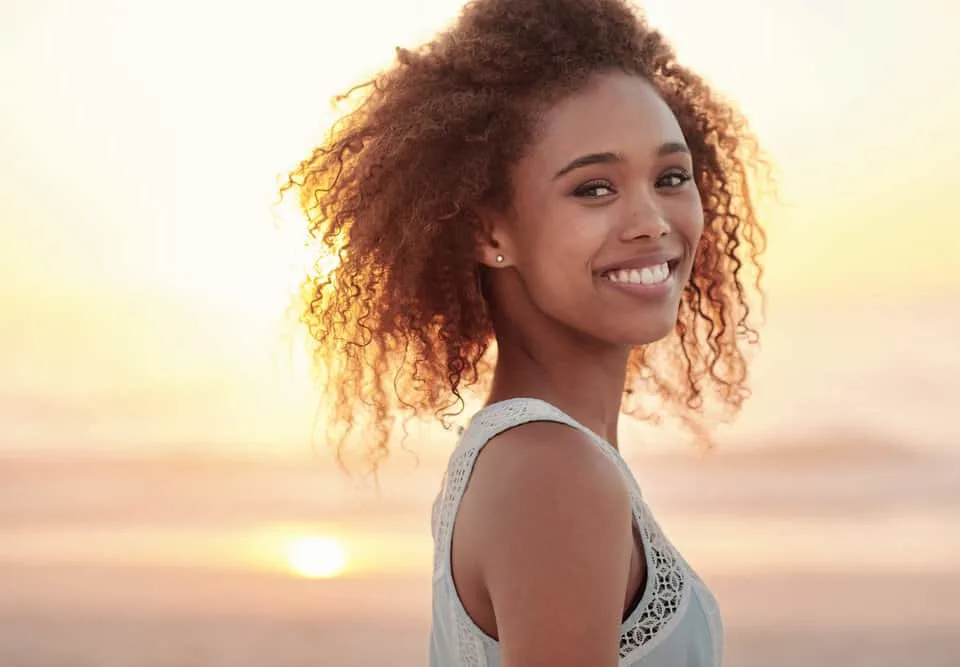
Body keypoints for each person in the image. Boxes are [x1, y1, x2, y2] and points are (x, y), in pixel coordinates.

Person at [283, 0, 766, 664]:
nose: (652, 219)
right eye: (594, 188)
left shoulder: (528, 456)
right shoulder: (554, 473)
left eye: (670, 177)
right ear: (490, 231)